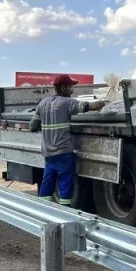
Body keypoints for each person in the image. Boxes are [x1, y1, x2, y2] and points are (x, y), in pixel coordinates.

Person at [29, 74, 106, 206]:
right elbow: (91, 107)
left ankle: (42, 210)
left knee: (47, 183)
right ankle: (65, 213)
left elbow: (32, 126)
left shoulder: (42, 104)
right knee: (65, 185)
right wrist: (104, 102)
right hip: (64, 153)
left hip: (48, 154)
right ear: (63, 88)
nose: (72, 90)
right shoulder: (67, 103)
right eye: (70, 87)